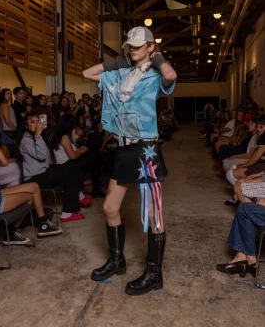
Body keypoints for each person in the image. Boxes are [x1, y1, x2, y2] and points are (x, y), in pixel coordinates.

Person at [83, 26, 177, 296]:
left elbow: (171, 75)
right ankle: (117, 260)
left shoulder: (157, 75)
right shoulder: (121, 72)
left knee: (153, 217)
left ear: (150, 46)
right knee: (110, 208)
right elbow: (88, 73)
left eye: (139, 45)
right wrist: (120, 61)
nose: (132, 49)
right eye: (130, 46)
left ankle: (154, 273)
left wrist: (156, 58)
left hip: (146, 149)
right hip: (124, 149)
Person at [19, 114, 85, 222]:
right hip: (33, 179)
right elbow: (41, 156)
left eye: (38, 121)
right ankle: (76, 201)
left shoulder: (35, 136)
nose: (37, 124)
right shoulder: (26, 140)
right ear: (26, 126)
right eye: (33, 122)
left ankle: (68, 211)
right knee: (70, 167)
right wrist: (38, 135)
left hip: (44, 173)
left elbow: (47, 157)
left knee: (71, 174)